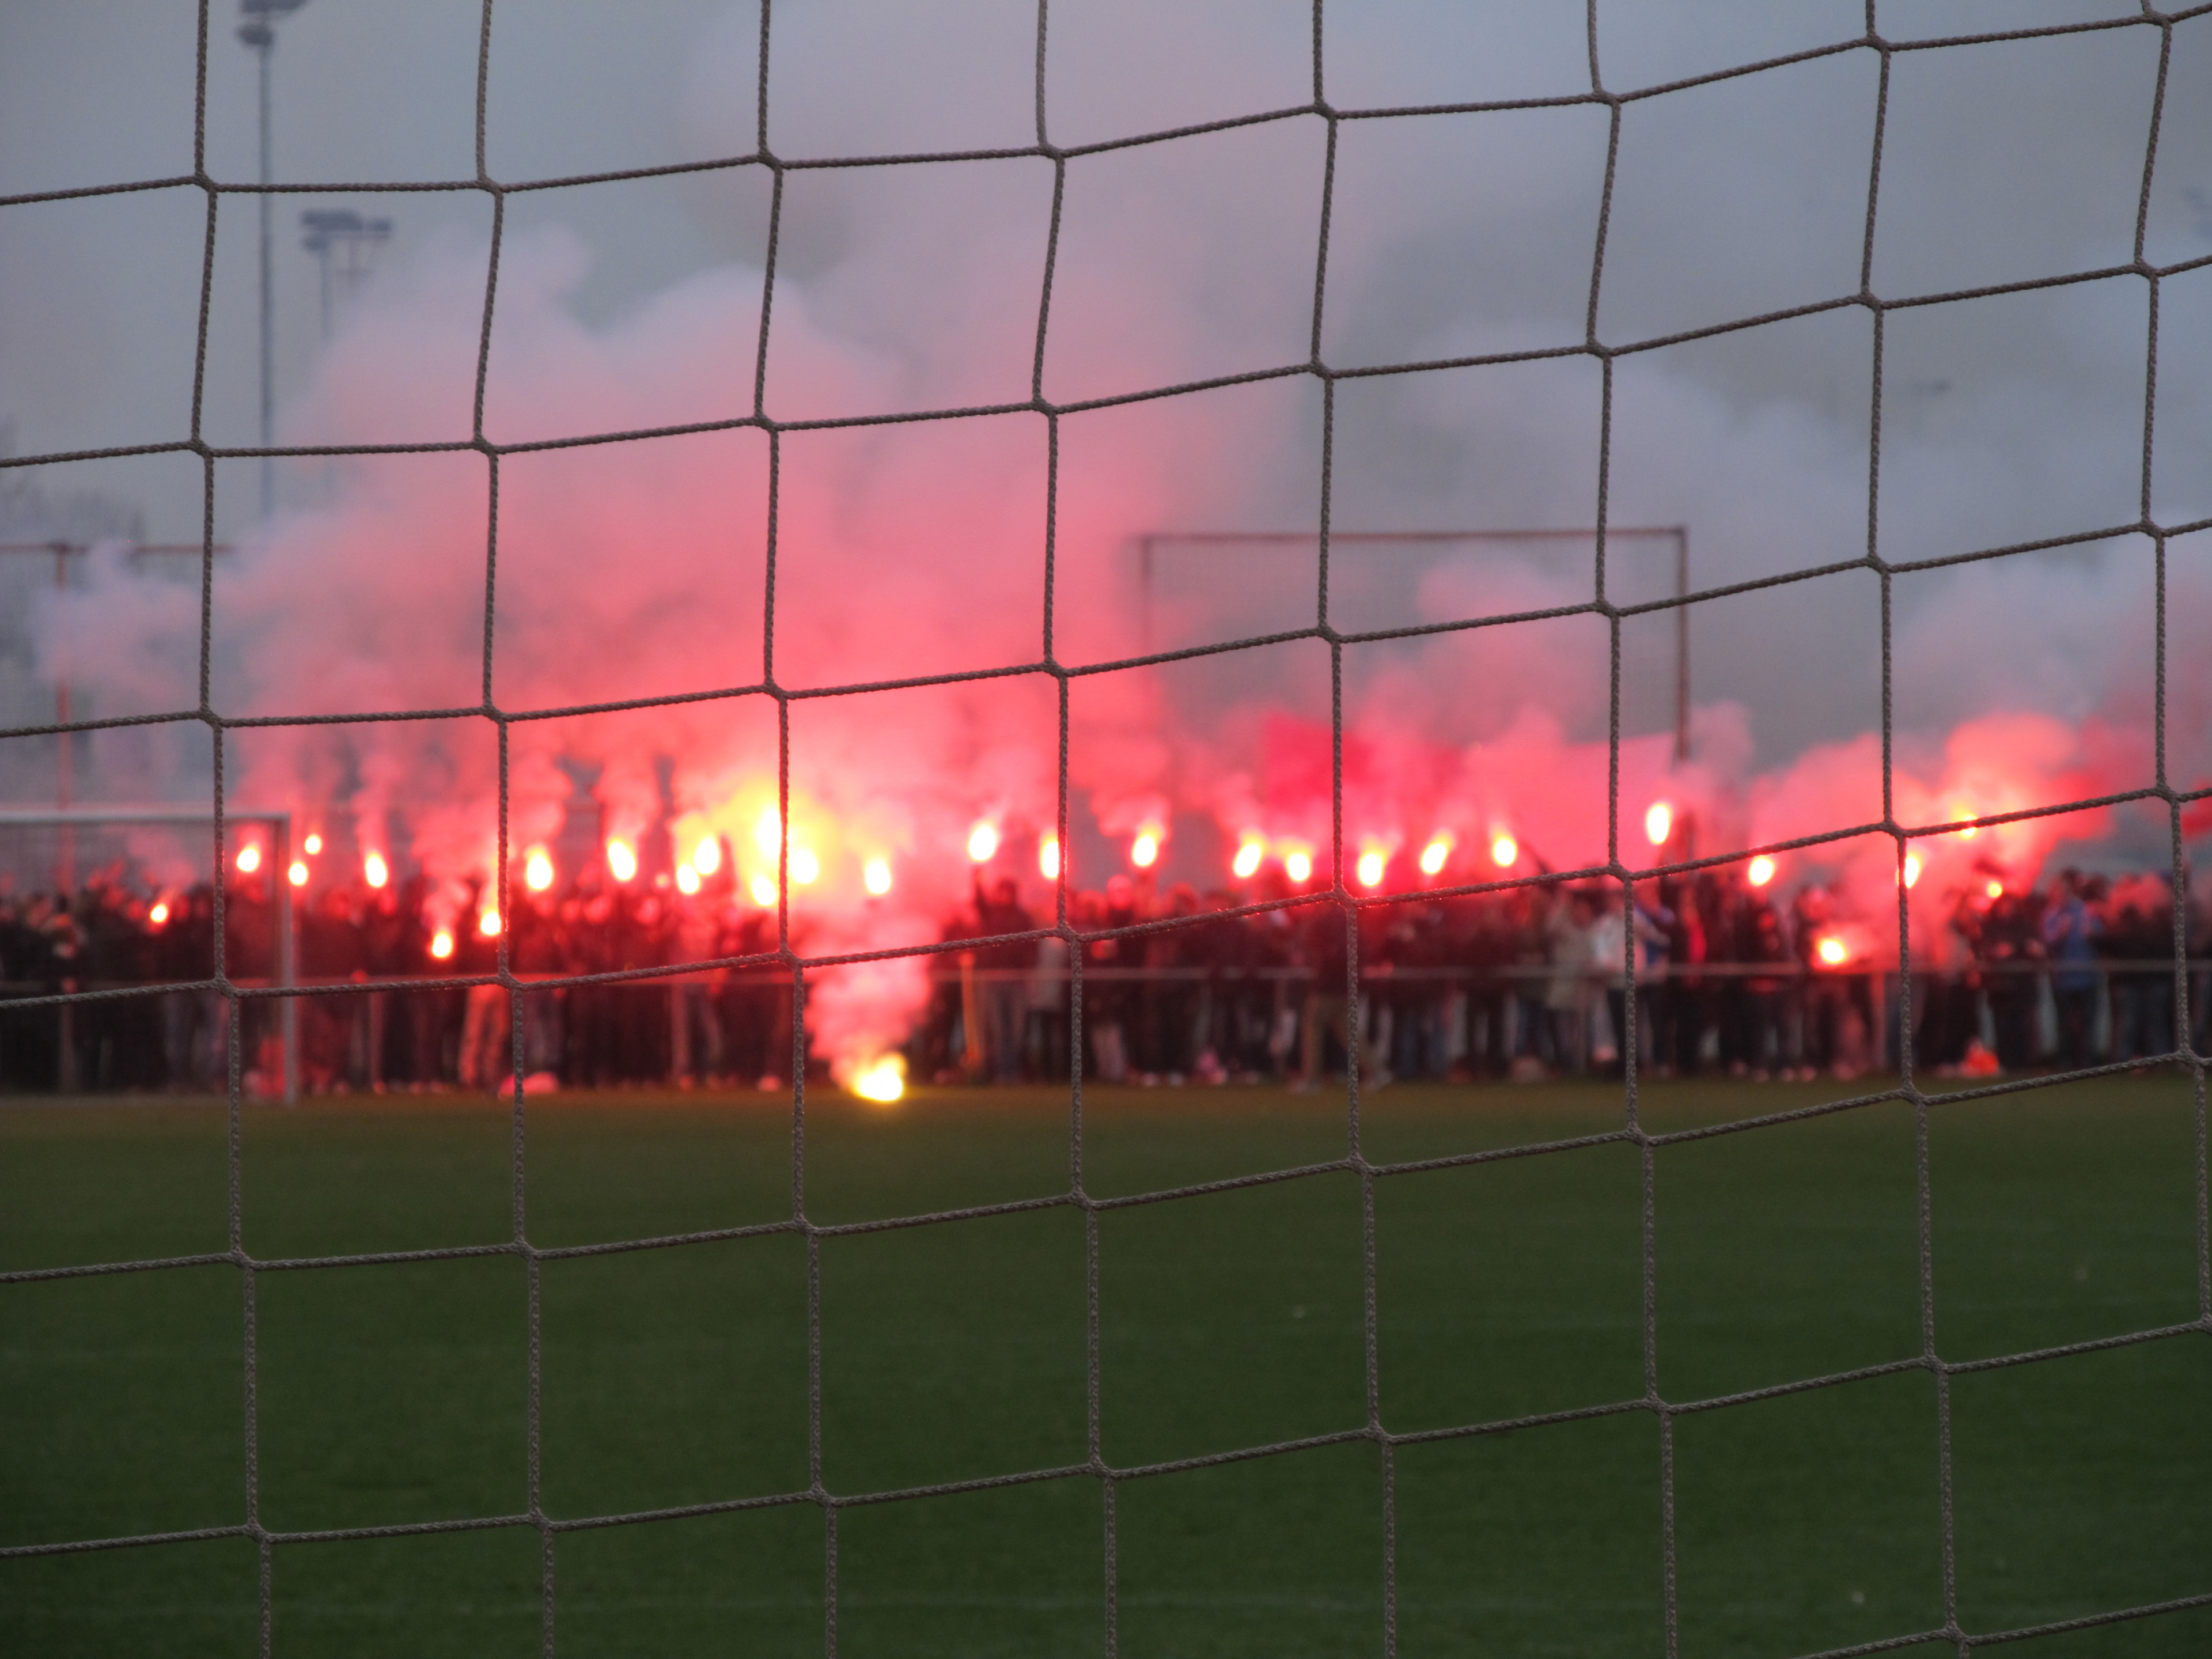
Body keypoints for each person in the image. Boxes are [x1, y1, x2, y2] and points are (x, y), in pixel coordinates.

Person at [2041, 869, 2102, 1070]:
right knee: (2065, 1024)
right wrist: (2060, 933)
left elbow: (2101, 935)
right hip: (2063, 979)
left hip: (2087, 978)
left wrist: (2093, 933)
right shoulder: (2051, 915)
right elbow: (2048, 943)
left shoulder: (2086, 911)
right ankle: (2065, 1063)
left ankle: (2087, 1063)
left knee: (2087, 1023)